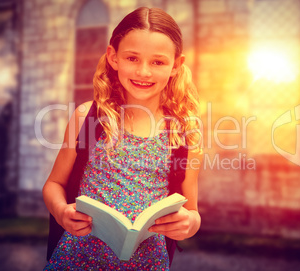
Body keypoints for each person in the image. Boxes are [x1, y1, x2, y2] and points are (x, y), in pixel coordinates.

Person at [42, 6, 202, 270]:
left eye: (158, 62)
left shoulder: (185, 134)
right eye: (132, 58)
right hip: (75, 260)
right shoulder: (87, 117)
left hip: (147, 263)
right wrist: (61, 212)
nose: (143, 72)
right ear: (113, 57)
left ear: (176, 66)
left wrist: (189, 223)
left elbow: (193, 211)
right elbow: (53, 184)